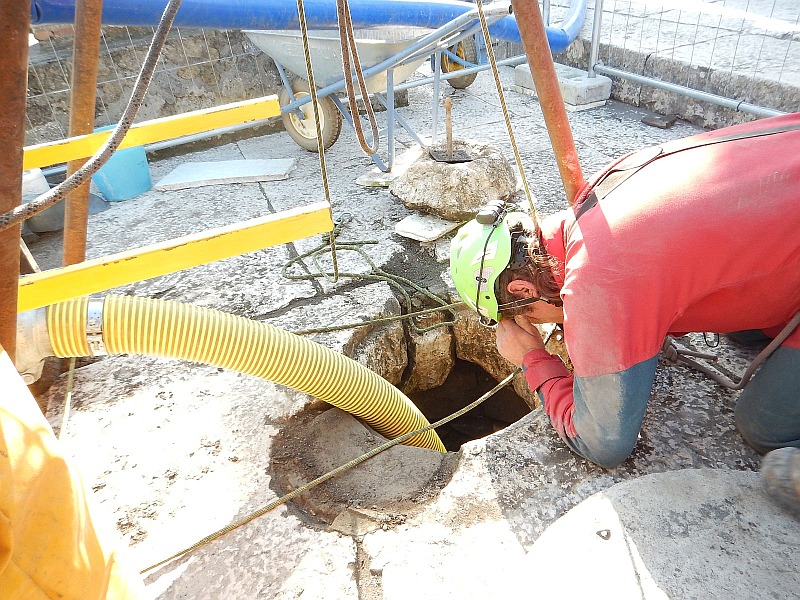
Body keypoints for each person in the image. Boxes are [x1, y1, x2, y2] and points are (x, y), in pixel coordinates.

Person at [449, 113, 800, 511]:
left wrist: (534, 358)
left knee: (766, 424)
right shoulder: (602, 191)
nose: (534, 324)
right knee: (743, 330)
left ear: (522, 289)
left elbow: (603, 442)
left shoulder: (596, 278)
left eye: (523, 316)